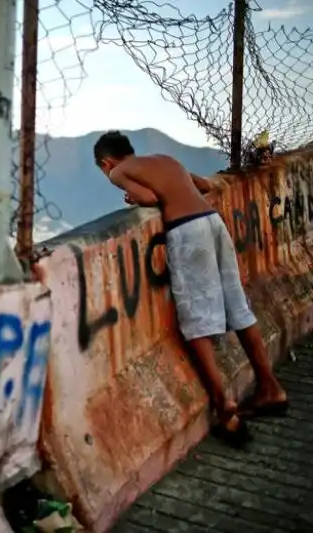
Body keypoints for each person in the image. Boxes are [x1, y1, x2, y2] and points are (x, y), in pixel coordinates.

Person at [92, 130, 287, 447]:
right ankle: (270, 388)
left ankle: (225, 407)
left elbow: (150, 199)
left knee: (196, 324)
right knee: (238, 307)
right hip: (213, 223)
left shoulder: (118, 171)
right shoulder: (164, 160)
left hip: (187, 232)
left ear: (106, 162)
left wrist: (132, 195)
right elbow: (207, 186)